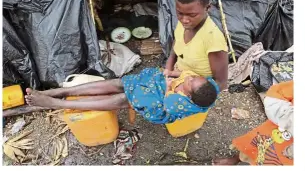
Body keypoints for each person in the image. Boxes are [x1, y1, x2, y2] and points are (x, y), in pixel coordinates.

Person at [25, 68, 219, 124]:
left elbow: (166, 104)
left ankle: (54, 102)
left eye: (191, 81)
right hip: (159, 85)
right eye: (195, 77)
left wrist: (169, 87)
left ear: (188, 94)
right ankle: (60, 91)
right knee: (121, 83)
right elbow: (179, 73)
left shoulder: (181, 103)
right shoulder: (202, 83)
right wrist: (169, 74)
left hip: (160, 105)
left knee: (124, 99)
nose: (191, 76)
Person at [164, 0, 228, 91]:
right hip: (175, 75)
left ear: (207, 8)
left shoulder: (212, 38)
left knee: (130, 97)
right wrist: (167, 71)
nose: (184, 20)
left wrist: (189, 96)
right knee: (125, 85)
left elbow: (221, 83)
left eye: (192, 15)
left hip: (191, 90)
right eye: (179, 13)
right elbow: (176, 46)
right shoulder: (184, 24)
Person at [212, 81, 293, 165]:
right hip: (273, 132)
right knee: (252, 147)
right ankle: (238, 159)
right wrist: (290, 119)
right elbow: (277, 93)